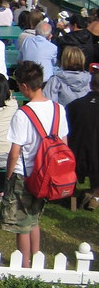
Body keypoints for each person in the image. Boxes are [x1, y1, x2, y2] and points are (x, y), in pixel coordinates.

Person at [0, 61, 69, 267]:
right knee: (34, 219)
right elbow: (63, 143)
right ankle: (36, 256)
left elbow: (15, 151)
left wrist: (8, 175)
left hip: (25, 172)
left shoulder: (23, 114)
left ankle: (25, 263)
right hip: (48, 173)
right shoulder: (58, 109)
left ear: (23, 86)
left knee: (22, 223)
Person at [66, 64, 99, 210]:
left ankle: (74, 197)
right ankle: (95, 196)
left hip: (75, 157)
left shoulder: (74, 105)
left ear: (90, 84)